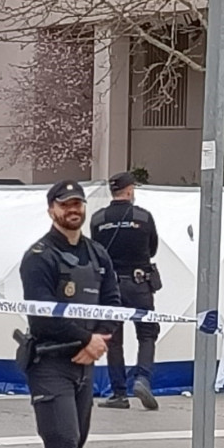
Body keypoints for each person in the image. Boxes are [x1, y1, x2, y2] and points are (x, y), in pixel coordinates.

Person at [19, 180, 120, 448]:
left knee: (71, 446)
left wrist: (100, 342)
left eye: (77, 203)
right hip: (49, 363)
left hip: (85, 365)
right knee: (63, 441)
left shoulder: (97, 254)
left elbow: (114, 304)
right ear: (51, 210)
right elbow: (42, 317)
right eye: (65, 204)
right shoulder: (38, 257)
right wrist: (85, 341)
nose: (72, 210)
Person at [91, 171, 161, 411]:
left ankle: (119, 393)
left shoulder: (98, 219)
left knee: (114, 340)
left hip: (110, 287)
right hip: (139, 284)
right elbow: (152, 249)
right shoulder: (143, 217)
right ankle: (142, 378)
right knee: (147, 334)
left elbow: (95, 253)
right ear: (129, 191)